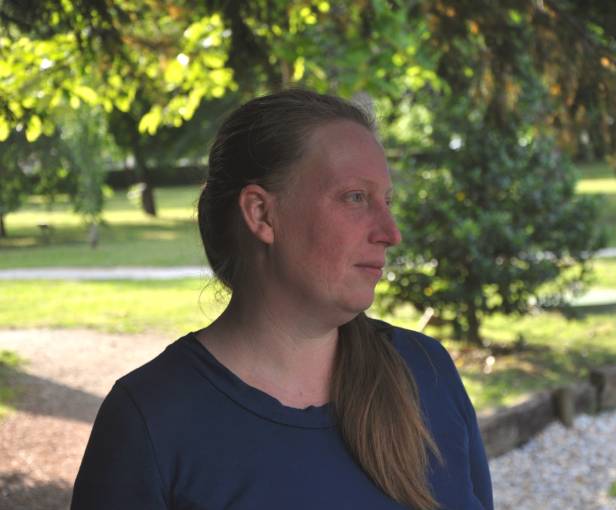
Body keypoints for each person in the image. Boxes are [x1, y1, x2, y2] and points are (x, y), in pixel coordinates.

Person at [71, 89, 493, 510]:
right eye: (355, 198)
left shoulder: (427, 372)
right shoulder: (152, 421)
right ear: (261, 214)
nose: (390, 232)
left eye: (387, 201)